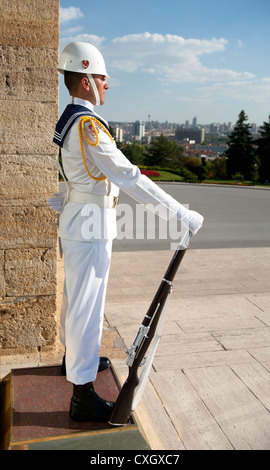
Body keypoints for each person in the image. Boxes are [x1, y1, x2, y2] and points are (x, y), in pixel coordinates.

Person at [48, 41, 204, 423]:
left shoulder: (71, 118)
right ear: (85, 80)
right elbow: (129, 177)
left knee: (76, 300)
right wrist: (180, 213)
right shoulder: (88, 127)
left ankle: (75, 359)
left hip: (78, 219)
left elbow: (76, 172)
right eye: (101, 77)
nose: (107, 84)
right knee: (88, 306)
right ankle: (82, 395)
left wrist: (65, 197)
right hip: (90, 225)